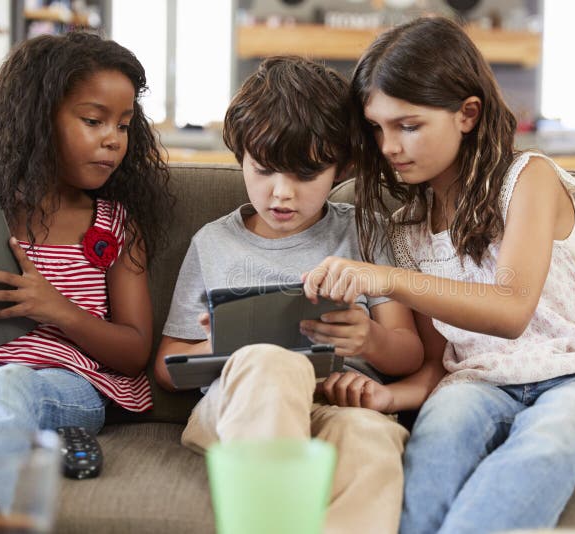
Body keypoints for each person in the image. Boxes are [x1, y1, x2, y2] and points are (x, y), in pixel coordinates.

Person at [302, 16, 575, 534]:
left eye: (408, 125)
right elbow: (437, 362)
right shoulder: (407, 229)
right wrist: (391, 397)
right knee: (438, 441)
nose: (388, 146)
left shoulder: (528, 178)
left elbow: (511, 309)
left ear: (467, 115)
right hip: (477, 384)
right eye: (377, 128)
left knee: (550, 436)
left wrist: (385, 278)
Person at [153, 56, 423, 534]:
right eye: (263, 171)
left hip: (338, 407)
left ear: (341, 169)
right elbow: (166, 368)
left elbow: (408, 353)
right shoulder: (212, 244)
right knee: (273, 360)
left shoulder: (365, 234)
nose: (281, 194)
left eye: (305, 176)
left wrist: (368, 341)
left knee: (371, 440)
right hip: (239, 409)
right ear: (241, 157)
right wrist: (220, 346)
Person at [0, 32, 172, 514]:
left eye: (123, 126)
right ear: (37, 120)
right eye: (93, 120)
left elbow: (133, 354)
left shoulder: (114, 226)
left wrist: (57, 310)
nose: (113, 138)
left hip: (66, 384)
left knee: (7, 385)